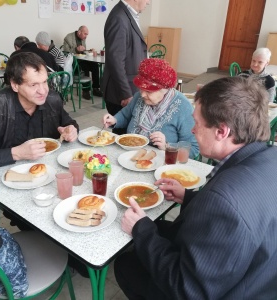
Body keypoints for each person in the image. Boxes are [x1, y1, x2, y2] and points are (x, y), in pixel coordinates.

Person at [114, 76, 277, 299]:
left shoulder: (225, 201)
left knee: (125, 263)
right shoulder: (270, 156)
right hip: (256, 271)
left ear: (222, 131)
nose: (192, 131)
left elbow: (187, 288)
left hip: (228, 289)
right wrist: (190, 197)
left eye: (197, 124)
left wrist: (140, 228)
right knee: (158, 226)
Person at [0, 52, 79, 169]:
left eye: (45, 82)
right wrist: (17, 153)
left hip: (48, 172)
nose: (43, 91)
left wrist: (71, 129)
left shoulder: (52, 99)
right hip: (4, 176)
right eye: (33, 85)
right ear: (15, 85)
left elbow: (68, 123)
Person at [103, 58, 199, 158]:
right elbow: (125, 115)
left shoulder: (184, 107)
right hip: (131, 154)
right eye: (141, 89)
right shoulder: (139, 97)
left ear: (164, 90)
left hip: (161, 162)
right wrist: (114, 120)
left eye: (149, 91)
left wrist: (167, 146)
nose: (143, 95)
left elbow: (194, 149)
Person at [102, 0, 150, 133]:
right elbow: (116, 61)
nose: (149, 2)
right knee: (123, 138)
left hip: (129, 89)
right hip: (121, 93)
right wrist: (126, 94)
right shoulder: (119, 17)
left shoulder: (127, 15)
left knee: (128, 136)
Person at [63, 26, 103, 99]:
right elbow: (65, 52)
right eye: (85, 34)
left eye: (87, 34)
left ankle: (96, 88)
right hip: (73, 62)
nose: (86, 36)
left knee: (95, 65)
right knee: (85, 67)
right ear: (79, 32)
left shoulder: (83, 38)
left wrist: (88, 51)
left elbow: (83, 52)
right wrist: (76, 49)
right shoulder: (68, 38)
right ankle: (86, 91)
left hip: (82, 59)